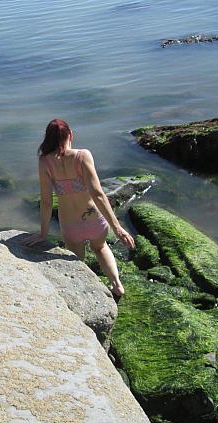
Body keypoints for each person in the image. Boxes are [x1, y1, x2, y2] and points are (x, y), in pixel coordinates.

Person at [23, 118, 135, 298]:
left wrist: (42, 233)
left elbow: (46, 201)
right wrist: (118, 228)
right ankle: (116, 284)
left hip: (70, 226)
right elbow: (98, 194)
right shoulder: (82, 156)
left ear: (48, 139)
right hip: (94, 220)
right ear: (71, 135)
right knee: (100, 248)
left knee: (76, 262)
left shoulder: (45, 162)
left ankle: (85, 295)